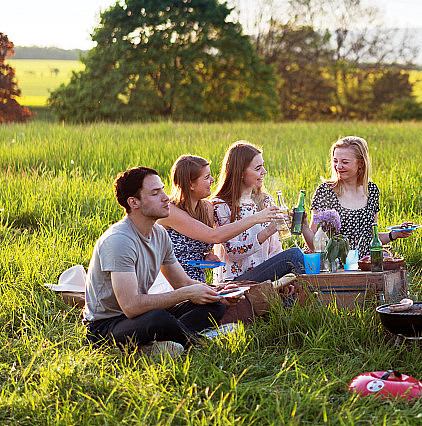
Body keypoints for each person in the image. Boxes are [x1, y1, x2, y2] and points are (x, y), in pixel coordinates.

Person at [83, 167, 237, 355]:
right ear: (134, 202)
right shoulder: (119, 240)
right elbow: (130, 307)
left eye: (163, 190)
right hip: (106, 326)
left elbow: (182, 283)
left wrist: (218, 293)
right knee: (159, 318)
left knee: (213, 305)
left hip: (140, 316)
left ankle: (162, 344)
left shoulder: (159, 234)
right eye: (156, 193)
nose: (166, 197)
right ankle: (199, 343)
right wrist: (185, 293)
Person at [157, 154, 281, 282]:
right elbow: (214, 236)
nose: (212, 180)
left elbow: (199, 245)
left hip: (199, 283)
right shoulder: (169, 210)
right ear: (190, 184)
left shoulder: (207, 208)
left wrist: (206, 256)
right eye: (206, 177)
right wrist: (257, 218)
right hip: (174, 284)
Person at [302, 136, 413, 258]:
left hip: (364, 265)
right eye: (335, 161)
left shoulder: (372, 191)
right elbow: (313, 243)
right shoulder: (325, 191)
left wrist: (394, 234)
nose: (338, 166)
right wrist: (303, 226)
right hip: (332, 267)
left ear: (361, 163)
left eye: (345, 162)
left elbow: (369, 238)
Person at [211, 141, 304, 284]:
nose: (264, 172)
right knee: (295, 255)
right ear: (240, 172)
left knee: (293, 279)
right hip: (234, 282)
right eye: (258, 168)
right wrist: (268, 231)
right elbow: (234, 253)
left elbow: (275, 249)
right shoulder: (221, 205)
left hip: (263, 276)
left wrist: (282, 277)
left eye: (263, 166)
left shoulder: (265, 201)